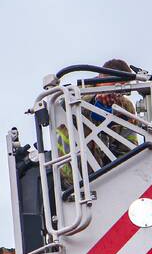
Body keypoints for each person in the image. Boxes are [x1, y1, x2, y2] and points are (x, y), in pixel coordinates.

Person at [56, 59, 141, 190]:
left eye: (123, 88)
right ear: (101, 77)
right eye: (115, 84)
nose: (117, 93)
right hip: (68, 175)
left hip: (103, 178)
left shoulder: (126, 107)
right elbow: (67, 108)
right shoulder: (75, 92)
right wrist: (94, 102)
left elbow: (128, 148)